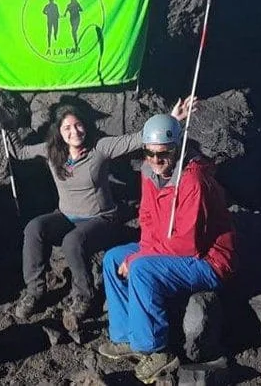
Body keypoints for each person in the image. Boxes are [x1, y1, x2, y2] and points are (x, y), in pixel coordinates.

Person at [10, 98, 195, 329]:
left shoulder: (100, 148)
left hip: (102, 219)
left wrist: (171, 120)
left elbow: (135, 140)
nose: (74, 131)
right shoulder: (52, 150)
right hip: (66, 216)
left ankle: (84, 296)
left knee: (72, 241)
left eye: (78, 125)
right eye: (67, 127)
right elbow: (19, 152)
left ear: (85, 126)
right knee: (34, 228)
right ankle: (34, 291)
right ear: (59, 131)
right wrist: (8, 125)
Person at [96, 112, 235, 383]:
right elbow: (147, 219)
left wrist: (142, 256)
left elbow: (186, 243)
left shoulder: (193, 181)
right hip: (167, 246)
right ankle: (128, 339)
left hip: (208, 260)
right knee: (114, 259)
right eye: (150, 153)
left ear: (178, 148)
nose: (156, 161)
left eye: (164, 154)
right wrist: (143, 249)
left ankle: (155, 350)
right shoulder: (149, 172)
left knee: (142, 269)